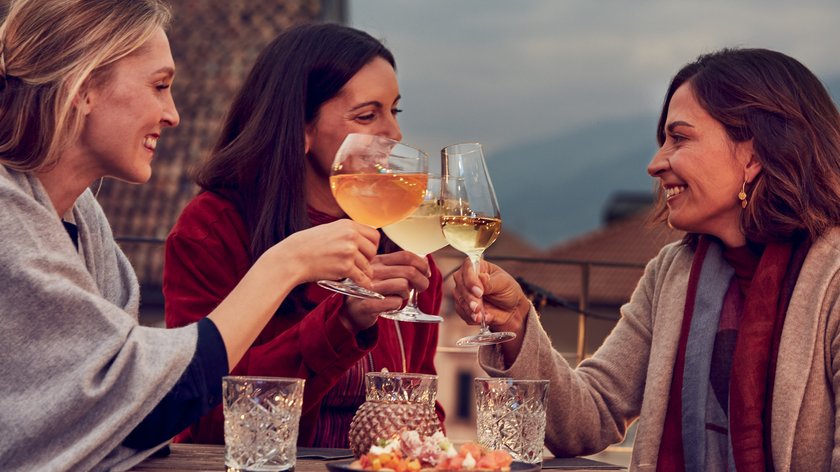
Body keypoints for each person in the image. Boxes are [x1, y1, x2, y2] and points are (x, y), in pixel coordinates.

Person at [0, 1, 379, 470]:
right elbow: (147, 405)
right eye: (159, 86)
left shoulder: (85, 220)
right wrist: (286, 265)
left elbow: (120, 406)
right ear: (83, 88)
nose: (173, 114)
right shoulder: (8, 222)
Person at [451, 48, 840, 471]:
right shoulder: (672, 274)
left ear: (755, 154)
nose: (655, 164)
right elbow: (588, 416)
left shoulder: (832, 280)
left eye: (680, 138)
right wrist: (515, 321)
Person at [163, 23, 443, 447]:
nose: (394, 133)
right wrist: (341, 323)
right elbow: (204, 419)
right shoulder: (213, 231)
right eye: (368, 115)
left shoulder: (403, 243)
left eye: (394, 111)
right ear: (301, 128)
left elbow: (423, 414)